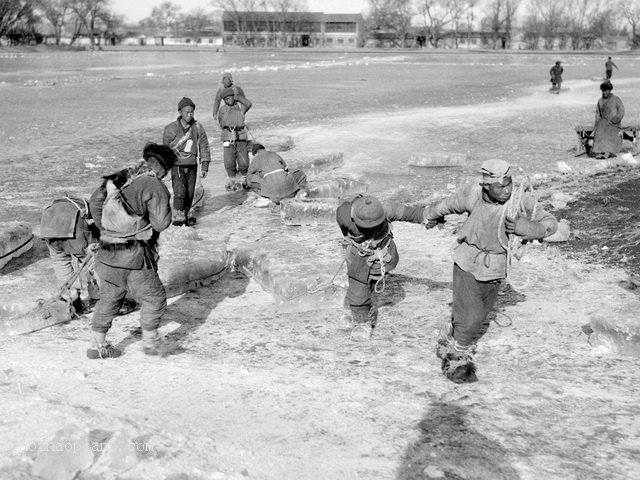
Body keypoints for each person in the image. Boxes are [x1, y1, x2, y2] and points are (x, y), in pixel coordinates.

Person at [423, 159, 557, 384]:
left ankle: (452, 337)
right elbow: (447, 205)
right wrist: (431, 215)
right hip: (467, 261)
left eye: (509, 184)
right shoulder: (473, 194)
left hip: (495, 267)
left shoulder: (519, 201)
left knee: (480, 314)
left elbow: (550, 223)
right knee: (471, 317)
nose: (506, 190)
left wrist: (528, 228)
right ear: (486, 185)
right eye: (500, 187)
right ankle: (456, 359)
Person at [87, 143, 175, 359]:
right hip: (133, 258)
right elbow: (161, 223)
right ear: (164, 168)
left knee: (109, 297)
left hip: (106, 256)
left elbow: (95, 203)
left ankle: (97, 345)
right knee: (154, 298)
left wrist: (109, 230)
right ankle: (150, 343)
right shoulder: (154, 184)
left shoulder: (119, 178)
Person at [336, 194, 428, 339]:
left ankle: (355, 304)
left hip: (383, 256)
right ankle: (361, 321)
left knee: (369, 284)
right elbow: (342, 223)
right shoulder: (345, 214)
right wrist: (348, 237)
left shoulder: (386, 209)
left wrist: (429, 216)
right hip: (358, 257)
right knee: (358, 288)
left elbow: (411, 213)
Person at [40, 197, 136, 316]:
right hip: (73, 225)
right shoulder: (97, 210)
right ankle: (114, 303)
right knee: (96, 261)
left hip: (48, 229)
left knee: (61, 261)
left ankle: (74, 301)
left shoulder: (63, 204)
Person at [163, 97, 211, 227]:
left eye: (192, 112)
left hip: (192, 165)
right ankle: (178, 215)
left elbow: (204, 146)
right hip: (177, 165)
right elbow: (165, 150)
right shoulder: (170, 129)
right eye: (187, 112)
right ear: (180, 112)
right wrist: (165, 168)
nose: (190, 115)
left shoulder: (198, 128)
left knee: (189, 192)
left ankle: (187, 213)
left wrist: (204, 165)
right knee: (180, 192)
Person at [216, 87, 252, 191]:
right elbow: (221, 122)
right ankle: (232, 181)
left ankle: (244, 179)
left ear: (233, 97)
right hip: (228, 138)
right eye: (225, 99)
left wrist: (238, 98)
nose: (228, 100)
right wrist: (229, 125)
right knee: (229, 162)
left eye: (230, 98)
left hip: (241, 137)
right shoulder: (222, 110)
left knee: (244, 162)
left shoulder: (241, 107)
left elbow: (249, 104)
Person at [592, 81, 625, 159]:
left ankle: (609, 151)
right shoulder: (600, 101)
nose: (604, 93)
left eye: (606, 90)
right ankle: (599, 151)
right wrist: (596, 123)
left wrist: (616, 119)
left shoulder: (616, 99)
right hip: (603, 122)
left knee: (610, 133)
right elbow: (597, 113)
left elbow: (621, 111)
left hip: (614, 123)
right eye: (603, 91)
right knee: (599, 132)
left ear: (610, 90)